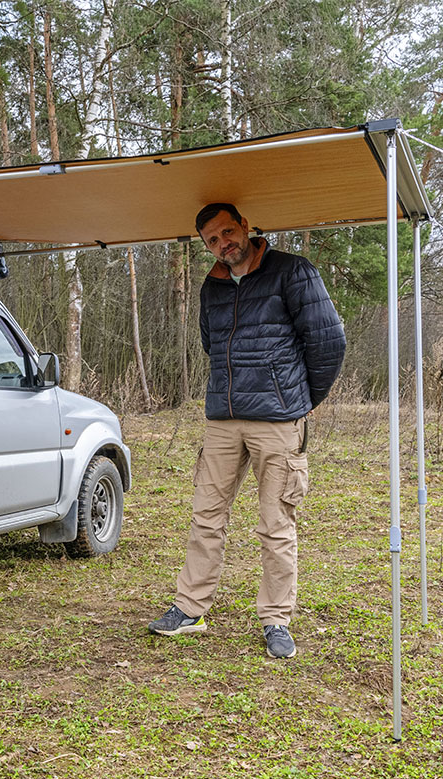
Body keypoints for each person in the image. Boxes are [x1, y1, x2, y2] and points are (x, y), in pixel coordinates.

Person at [148, 203, 345, 658]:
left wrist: (300, 400)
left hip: (277, 420)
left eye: (227, 232)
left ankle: (276, 619)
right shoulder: (212, 286)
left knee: (276, 524)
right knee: (206, 516)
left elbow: (328, 341)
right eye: (212, 241)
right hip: (223, 419)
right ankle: (190, 608)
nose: (223, 244)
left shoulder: (292, 271)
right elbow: (211, 345)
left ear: (245, 226)